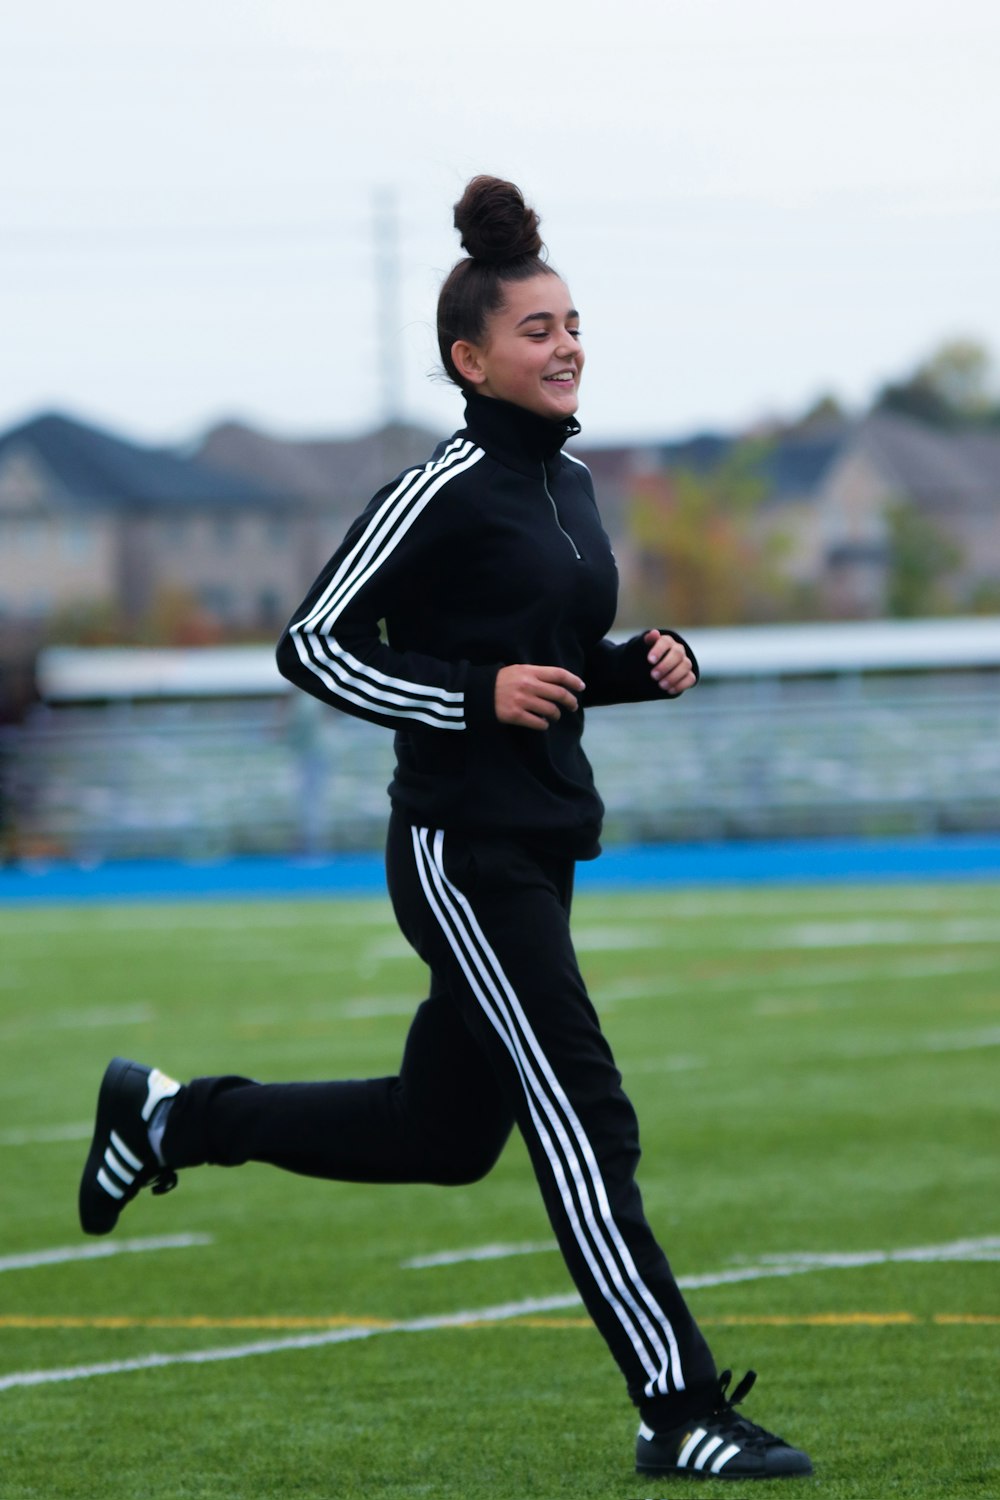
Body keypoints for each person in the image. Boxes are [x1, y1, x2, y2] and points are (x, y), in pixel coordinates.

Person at [79, 175, 812, 1482]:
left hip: (539, 835)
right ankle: (678, 1407)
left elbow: (538, 659)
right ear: (470, 357)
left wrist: (634, 666)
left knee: (440, 1134)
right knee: (584, 1115)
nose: (567, 343)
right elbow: (314, 643)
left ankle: (172, 1121)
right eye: (538, 328)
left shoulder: (572, 485)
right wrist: (471, 699)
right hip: (459, 852)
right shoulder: (443, 485)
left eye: (574, 321)